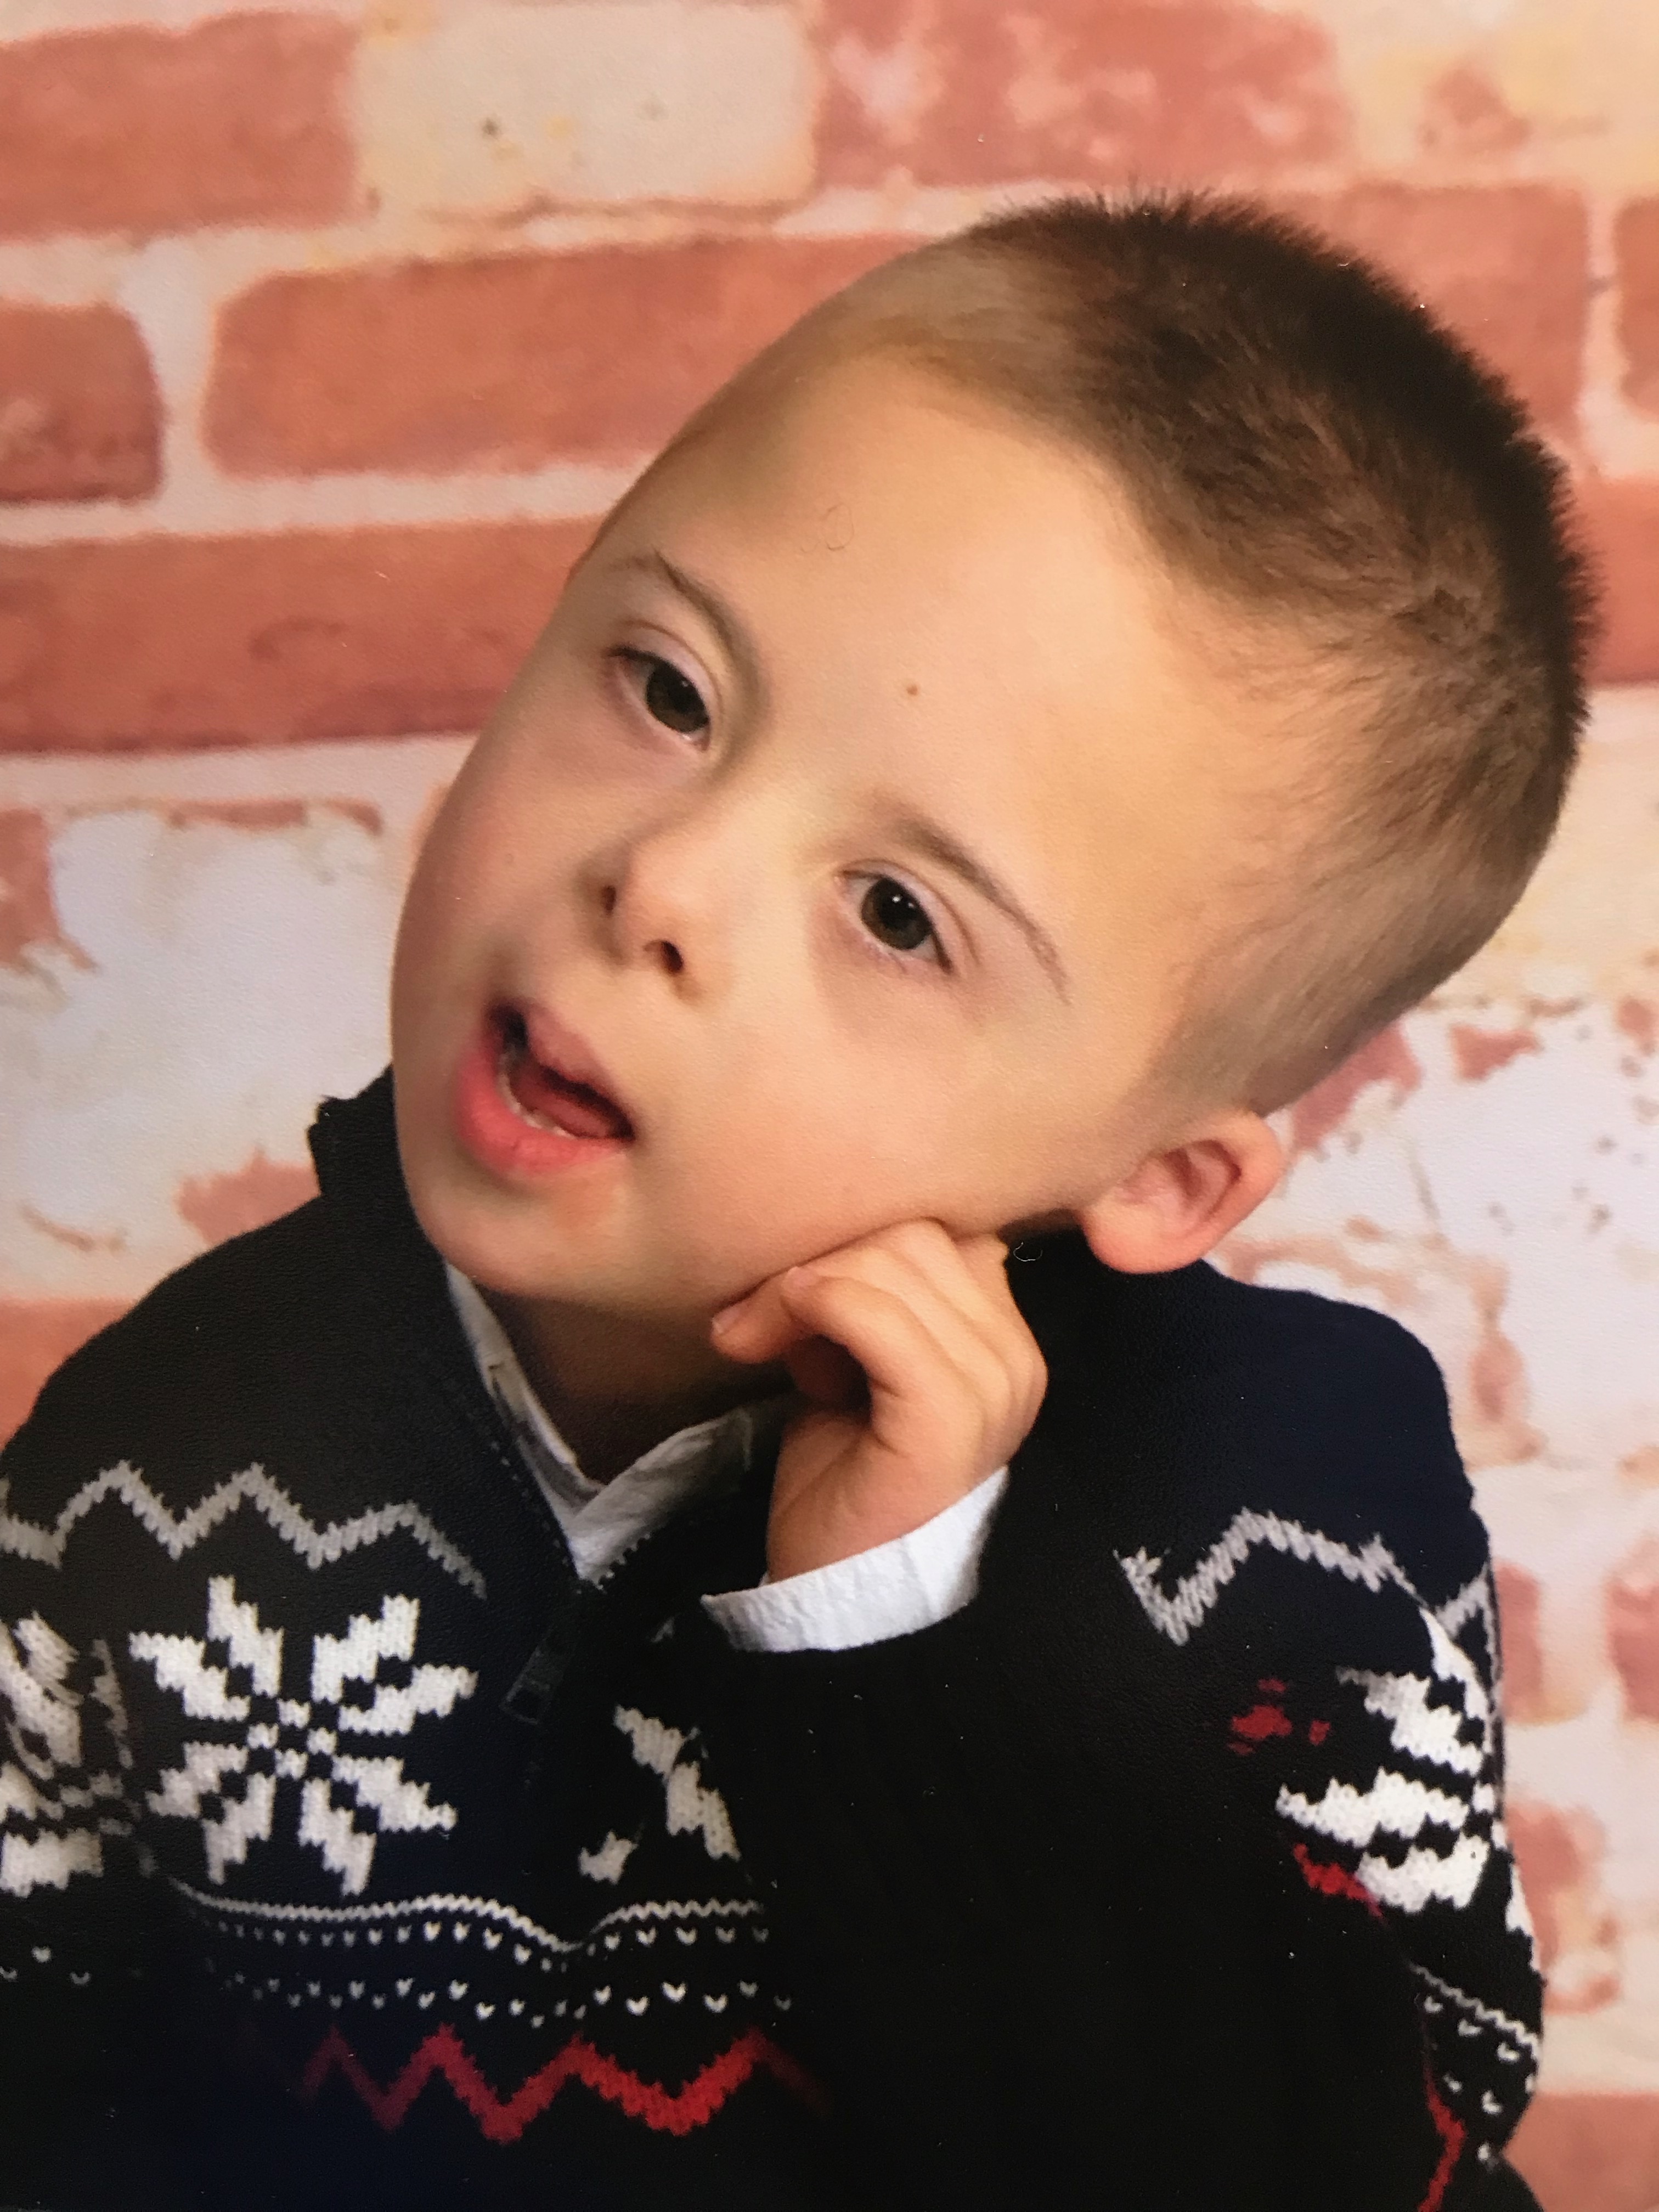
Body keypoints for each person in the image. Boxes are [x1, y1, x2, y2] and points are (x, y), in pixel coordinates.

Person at [0, 194, 1590, 2210]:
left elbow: (1357, 2176)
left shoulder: (1284, 1504)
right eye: (669, 690)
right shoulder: (165, 1459)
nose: (660, 883)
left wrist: (902, 1635)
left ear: (1155, 1175)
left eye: (901, 914)